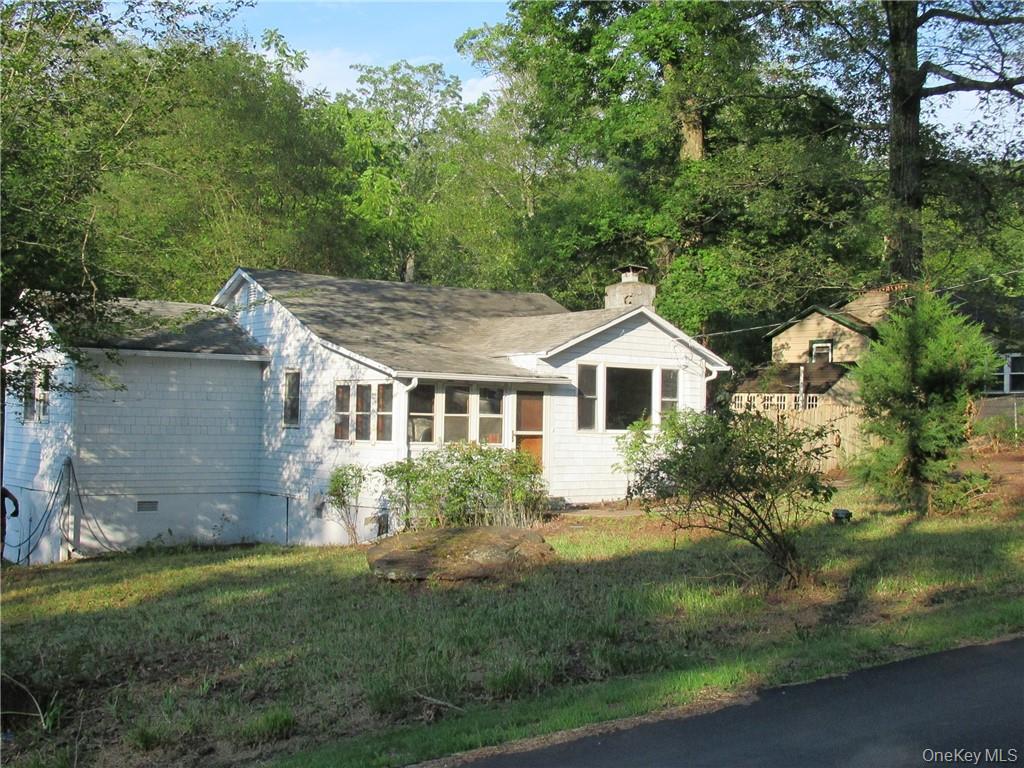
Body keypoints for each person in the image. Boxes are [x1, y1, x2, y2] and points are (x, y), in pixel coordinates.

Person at [1, 486, 20, 558]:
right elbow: (15, 500)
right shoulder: (2, 490)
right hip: (1, 519)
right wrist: (16, 510)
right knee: (1, 539)